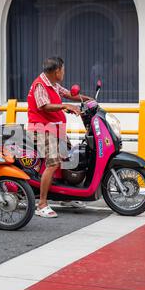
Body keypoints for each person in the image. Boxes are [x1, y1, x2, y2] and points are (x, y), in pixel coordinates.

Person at [27, 57, 94, 218]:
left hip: (55, 129)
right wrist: (65, 106)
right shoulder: (40, 85)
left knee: (71, 158)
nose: (64, 72)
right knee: (53, 162)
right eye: (62, 70)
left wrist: (90, 99)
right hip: (41, 130)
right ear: (56, 71)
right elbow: (44, 106)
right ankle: (41, 204)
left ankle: (66, 195)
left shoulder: (53, 84)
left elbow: (69, 95)